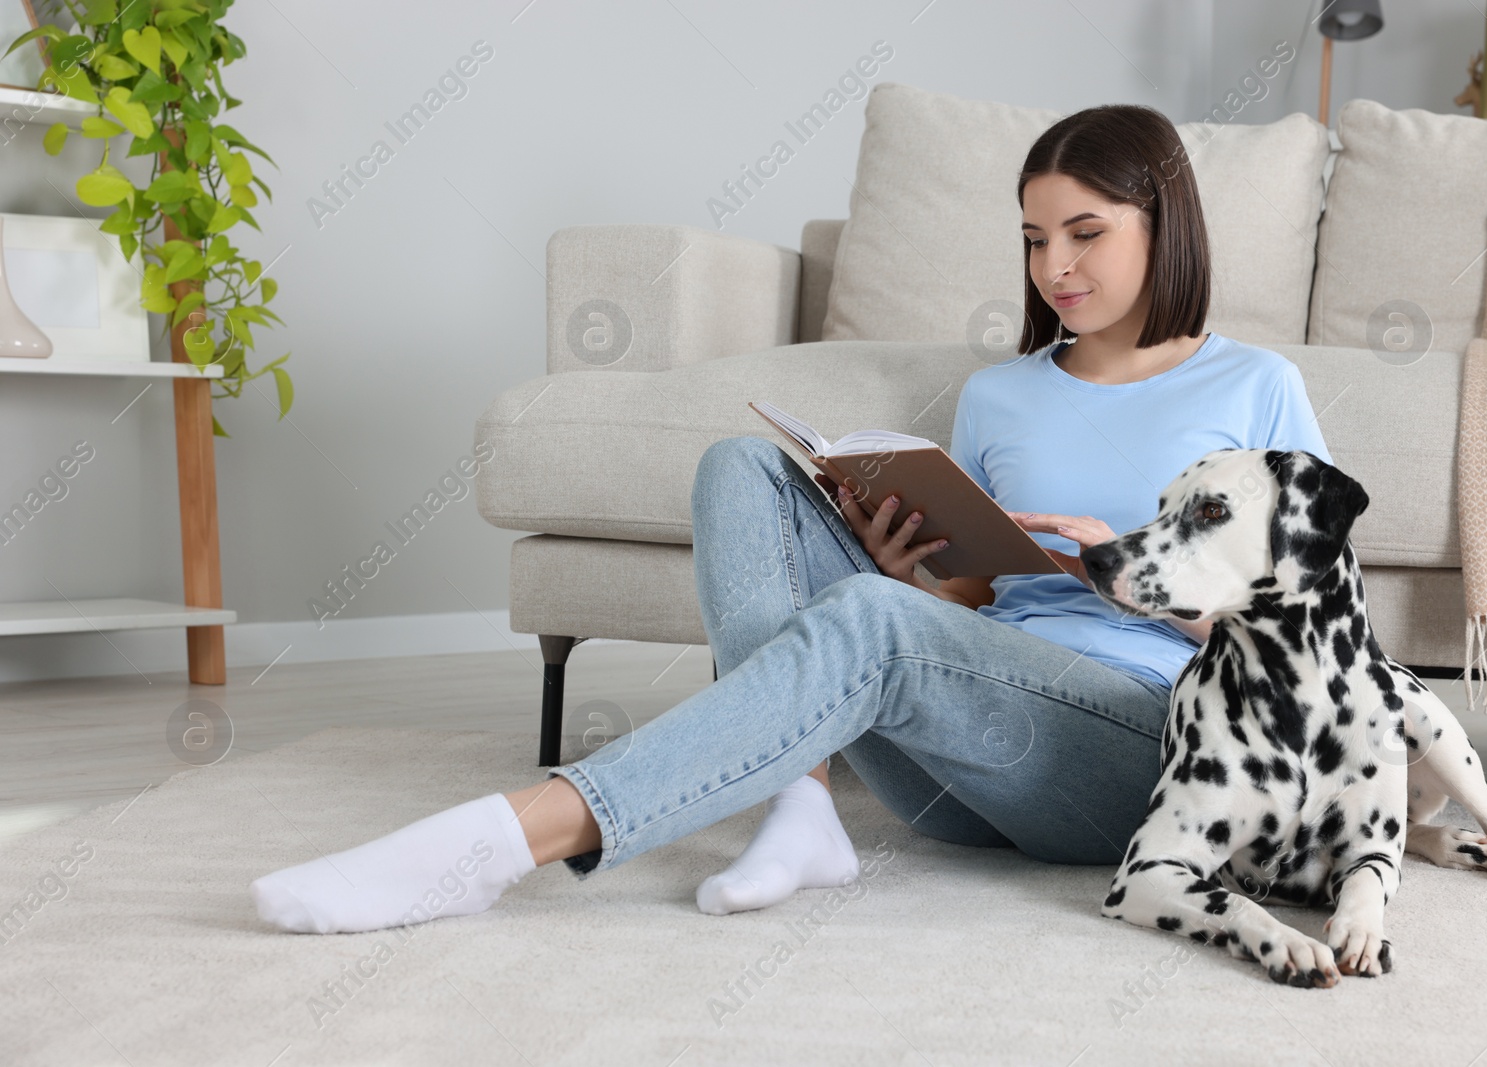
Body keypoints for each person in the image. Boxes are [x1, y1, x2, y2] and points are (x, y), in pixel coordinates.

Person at [250, 103, 1333, 935]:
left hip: (1147, 749)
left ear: (1163, 222)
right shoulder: (1005, 393)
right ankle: (801, 805)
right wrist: (918, 574)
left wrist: (1129, 573)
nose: (1054, 267)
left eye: (1085, 233)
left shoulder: (1254, 387)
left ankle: (502, 840)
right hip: (970, 748)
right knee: (743, 469)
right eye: (1035, 237)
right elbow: (977, 600)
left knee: (871, 619)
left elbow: (1322, 643)